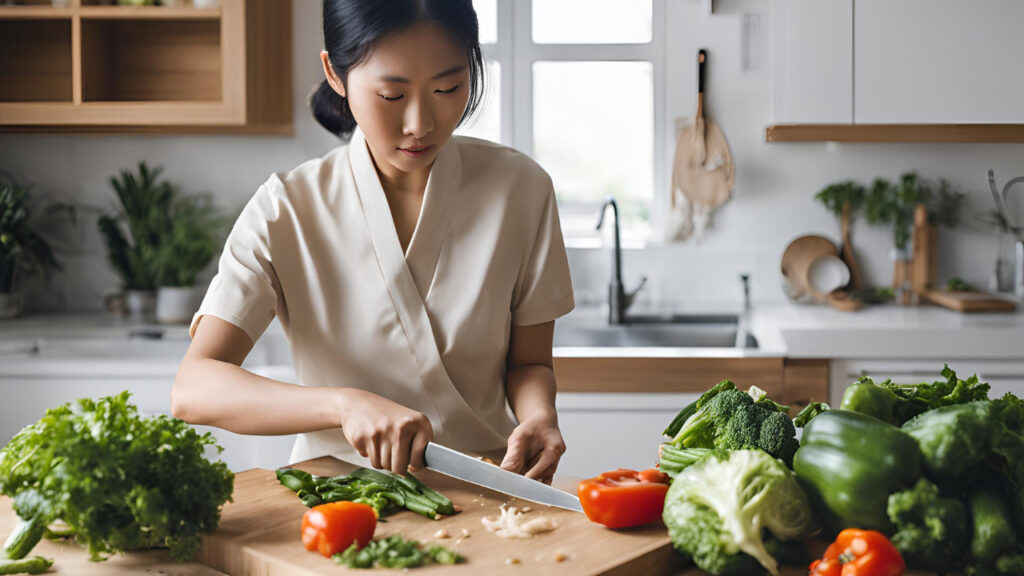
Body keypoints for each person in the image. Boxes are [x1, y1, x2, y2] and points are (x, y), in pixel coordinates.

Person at [171, 0, 575, 485]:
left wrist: (539, 415)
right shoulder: (286, 209)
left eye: (448, 87)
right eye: (391, 95)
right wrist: (341, 404)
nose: (420, 123)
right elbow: (194, 387)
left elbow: (529, 362)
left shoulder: (521, 189)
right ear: (335, 75)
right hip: (335, 501)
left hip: (488, 490)